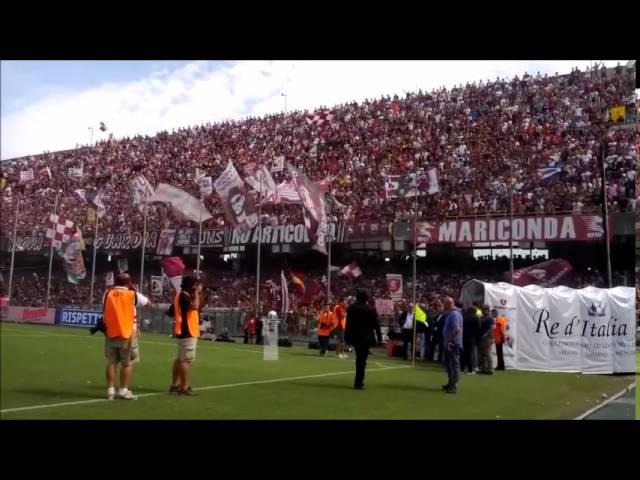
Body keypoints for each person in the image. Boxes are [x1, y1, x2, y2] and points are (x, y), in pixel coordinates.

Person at [102, 273, 150, 400]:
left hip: (111, 331)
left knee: (111, 362)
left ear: (115, 282)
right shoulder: (132, 294)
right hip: (128, 331)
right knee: (127, 363)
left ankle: (110, 390)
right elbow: (148, 303)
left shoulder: (107, 293)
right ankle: (123, 390)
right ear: (129, 283)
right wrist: (134, 290)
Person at [169, 275, 203, 396]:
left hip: (181, 330)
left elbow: (170, 311)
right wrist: (197, 294)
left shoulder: (180, 295)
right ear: (192, 286)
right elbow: (195, 306)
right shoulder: (184, 296)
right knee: (186, 360)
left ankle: (175, 384)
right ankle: (184, 386)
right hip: (187, 330)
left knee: (179, 358)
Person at [345, 290, 377, 390]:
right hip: (365, 338)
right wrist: (379, 337)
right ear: (366, 298)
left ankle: (358, 381)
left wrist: (347, 337)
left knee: (359, 358)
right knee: (362, 360)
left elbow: (348, 323)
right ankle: (358, 382)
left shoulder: (351, 308)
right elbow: (375, 324)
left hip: (355, 337)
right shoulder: (369, 309)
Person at [441, 297, 463, 394]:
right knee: (449, 364)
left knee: (454, 365)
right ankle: (451, 383)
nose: (443, 305)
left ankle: (454, 386)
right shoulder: (452, 313)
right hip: (449, 342)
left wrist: (450, 340)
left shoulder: (454, 314)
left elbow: (456, 329)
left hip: (453, 343)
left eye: (444, 303)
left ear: (448, 304)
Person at [461, 306, 480, 374]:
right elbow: (478, 329)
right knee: (471, 353)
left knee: (464, 353)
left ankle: (462, 367)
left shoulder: (464, 317)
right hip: (472, 337)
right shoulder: (476, 318)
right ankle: (470, 369)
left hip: (464, 336)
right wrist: (478, 338)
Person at [477, 305, 495, 375]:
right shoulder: (482, 317)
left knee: (487, 353)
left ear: (487, 310)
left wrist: (486, 334)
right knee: (482, 354)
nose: (482, 310)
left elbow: (492, 328)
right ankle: (483, 368)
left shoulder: (490, 317)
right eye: (482, 309)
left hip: (487, 338)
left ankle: (490, 369)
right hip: (482, 337)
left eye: (484, 309)